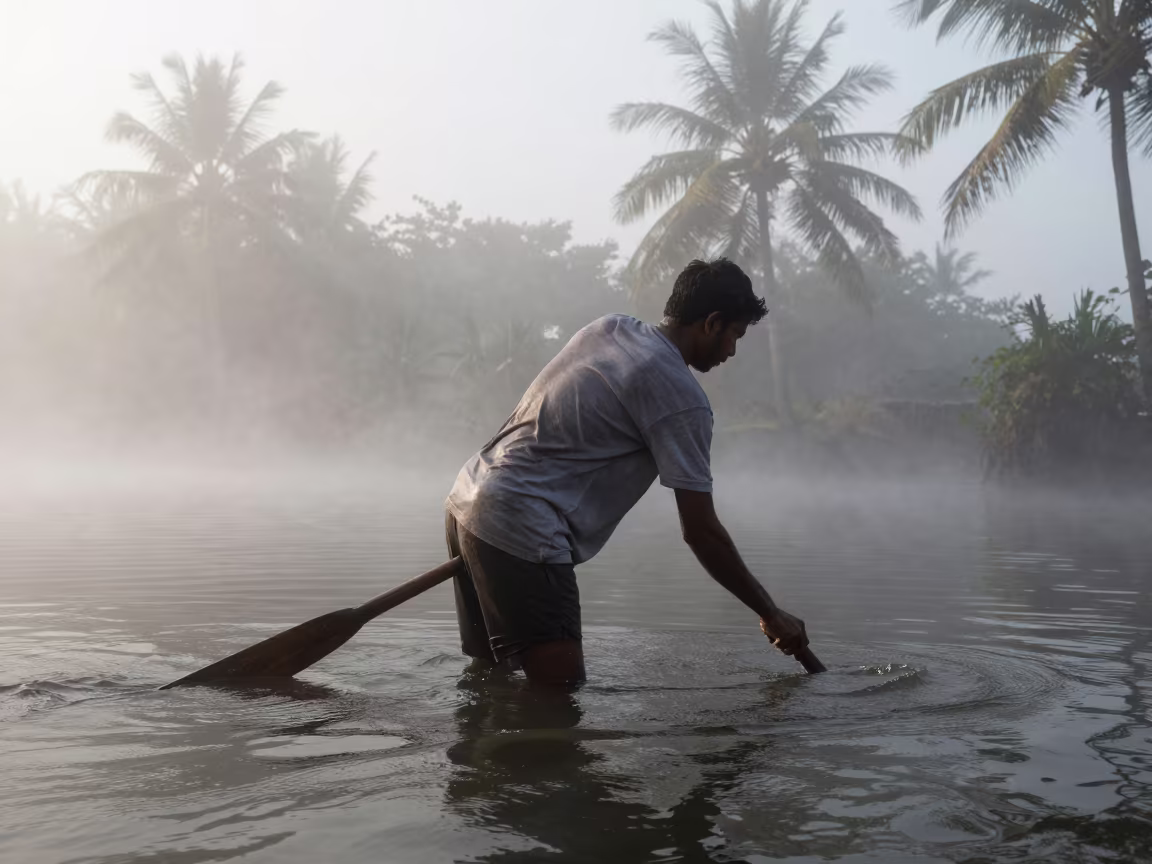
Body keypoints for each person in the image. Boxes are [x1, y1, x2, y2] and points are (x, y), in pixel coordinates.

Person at [444, 257, 809, 685]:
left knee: (490, 680)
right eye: (735, 335)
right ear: (711, 323)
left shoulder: (609, 328)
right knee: (558, 698)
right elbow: (701, 531)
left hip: (467, 497)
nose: (731, 351)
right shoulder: (681, 397)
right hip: (523, 524)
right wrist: (770, 612)